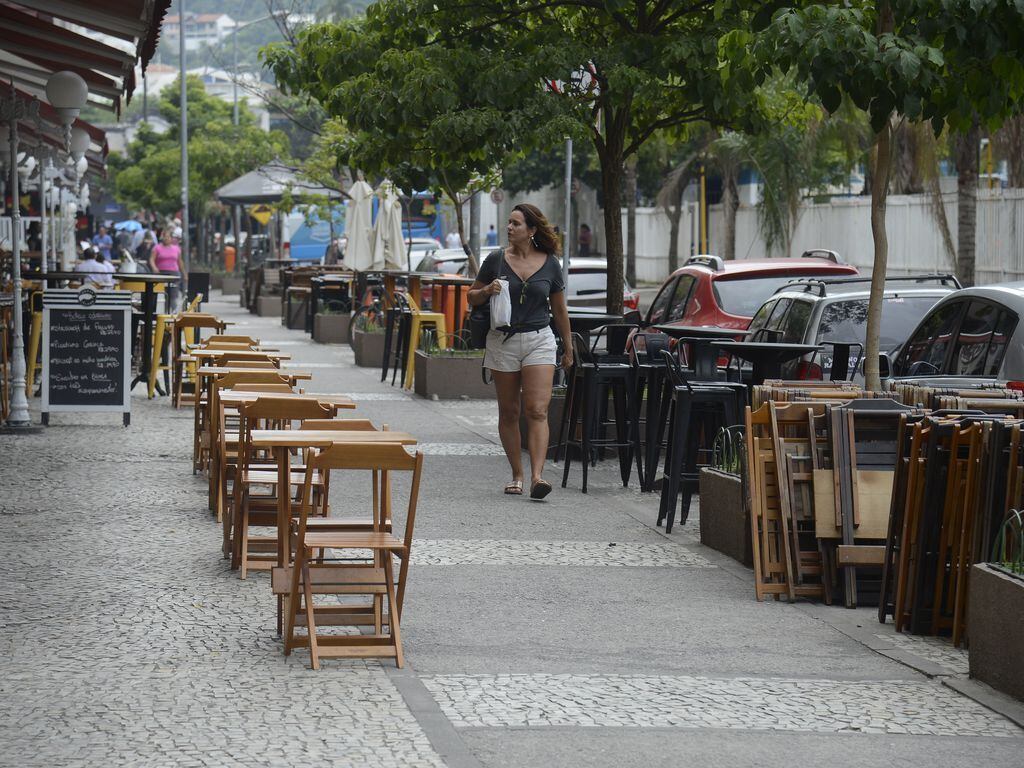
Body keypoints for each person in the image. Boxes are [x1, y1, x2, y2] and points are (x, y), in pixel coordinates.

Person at [468, 203, 573, 500]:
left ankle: (538, 477)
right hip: (503, 341)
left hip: (540, 339)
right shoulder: (496, 260)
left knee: (537, 410)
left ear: (531, 230)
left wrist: (567, 347)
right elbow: (471, 296)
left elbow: (560, 309)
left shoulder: (551, 264)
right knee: (510, 411)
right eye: (509, 223)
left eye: (515, 224)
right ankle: (517, 473)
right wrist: (486, 292)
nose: (509, 228)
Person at [150, 229, 186, 311]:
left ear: (171, 238)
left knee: (173, 295)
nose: (166, 239)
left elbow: (180, 261)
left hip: (174, 274)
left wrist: (184, 273)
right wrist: (154, 267)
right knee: (162, 294)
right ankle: (163, 313)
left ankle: (174, 313)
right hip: (161, 274)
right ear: (162, 238)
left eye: (168, 237)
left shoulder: (176, 249)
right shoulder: (157, 248)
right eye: (165, 237)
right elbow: (152, 259)